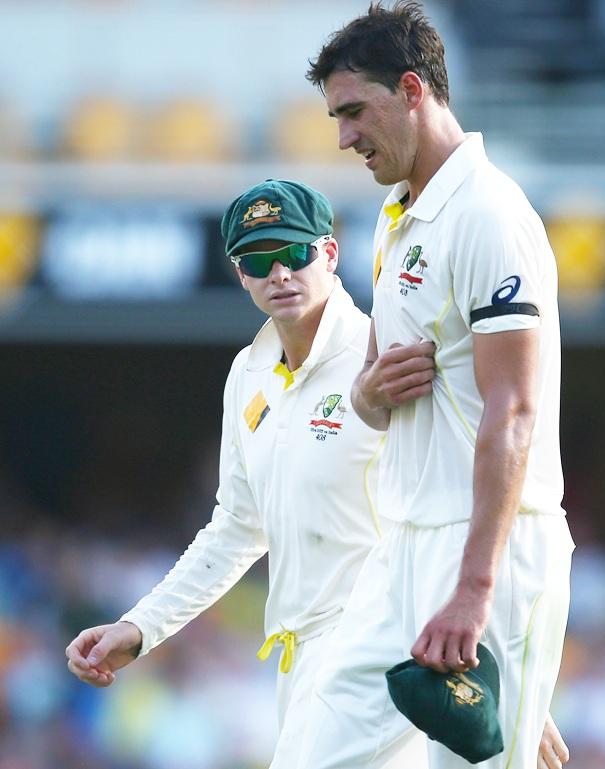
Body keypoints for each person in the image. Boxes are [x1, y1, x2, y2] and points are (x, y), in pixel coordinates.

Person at [64, 179, 567, 769]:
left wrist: (498, 659)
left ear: (329, 254)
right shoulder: (247, 374)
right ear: (239, 273)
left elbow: (456, 488)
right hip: (298, 655)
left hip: (386, 642)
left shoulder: (384, 350)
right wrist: (141, 626)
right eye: (258, 260)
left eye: (295, 254)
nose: (280, 274)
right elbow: (237, 525)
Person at [296, 3, 575, 769]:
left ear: (413, 90)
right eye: (335, 117)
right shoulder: (395, 215)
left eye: (354, 112)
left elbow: (513, 412)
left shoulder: (488, 213)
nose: (344, 137)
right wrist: (365, 396)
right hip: (404, 551)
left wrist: (479, 595)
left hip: (490, 550)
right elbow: (374, 389)